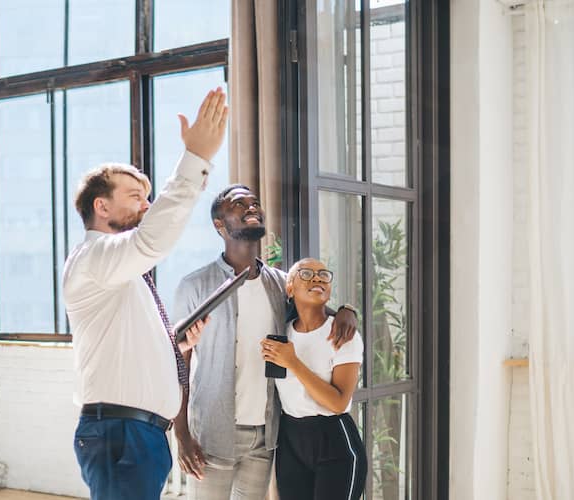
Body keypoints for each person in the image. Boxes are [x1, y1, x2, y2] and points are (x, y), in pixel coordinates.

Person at [63, 88, 228, 500]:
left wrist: (177, 343)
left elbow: (129, 344)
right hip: (123, 433)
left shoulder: (123, 274)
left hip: (139, 434)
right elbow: (151, 241)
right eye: (135, 197)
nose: (147, 205)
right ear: (101, 207)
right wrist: (195, 161)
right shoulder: (94, 256)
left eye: (148, 197)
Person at [172, 185, 359, 500]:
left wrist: (348, 310)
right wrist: (181, 434)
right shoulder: (195, 286)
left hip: (265, 437)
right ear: (219, 225)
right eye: (239, 203)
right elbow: (179, 364)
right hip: (212, 436)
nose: (251, 207)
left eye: (254, 202)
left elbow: (319, 308)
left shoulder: (279, 283)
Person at [260, 258, 367, 500]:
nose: (317, 278)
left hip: (334, 443)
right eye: (306, 274)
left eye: (323, 275)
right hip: (290, 442)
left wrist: (294, 363)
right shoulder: (281, 333)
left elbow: (338, 403)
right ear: (289, 288)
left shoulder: (343, 334)